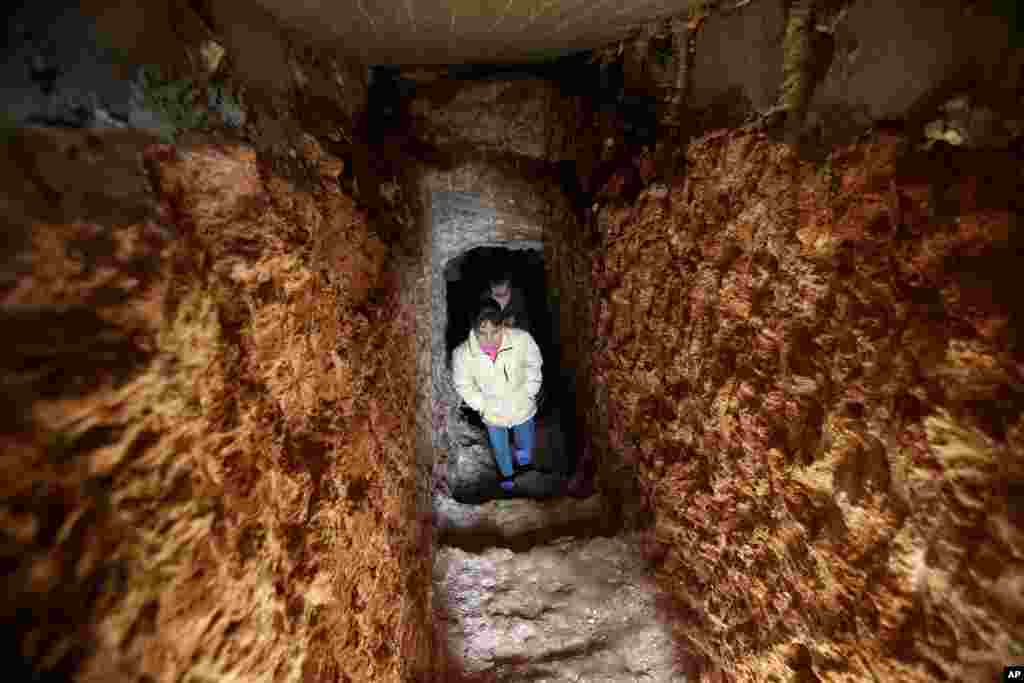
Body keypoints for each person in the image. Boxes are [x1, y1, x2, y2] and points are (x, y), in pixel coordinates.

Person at [453, 302, 543, 492]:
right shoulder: (462, 355)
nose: (489, 339)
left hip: (521, 405)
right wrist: (481, 404)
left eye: (495, 332)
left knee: (525, 441)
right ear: (473, 330)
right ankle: (507, 474)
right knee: (500, 447)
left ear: (502, 326)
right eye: (482, 334)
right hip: (493, 413)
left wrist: (529, 391)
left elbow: (533, 363)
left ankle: (524, 465)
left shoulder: (522, 340)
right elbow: (463, 384)